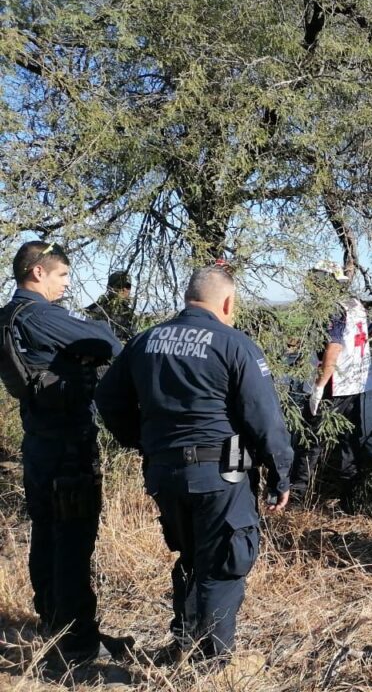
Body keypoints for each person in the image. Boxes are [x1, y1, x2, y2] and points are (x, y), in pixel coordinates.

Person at [94, 265, 292, 662]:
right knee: (222, 563)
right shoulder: (234, 344)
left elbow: (107, 398)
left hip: (163, 472)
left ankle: (183, 645)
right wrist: (281, 474)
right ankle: (211, 663)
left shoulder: (145, 341)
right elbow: (264, 417)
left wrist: (141, 440)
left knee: (190, 557)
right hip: (221, 473)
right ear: (227, 301)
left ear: (188, 298)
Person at [0, 242, 124, 664]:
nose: (66, 286)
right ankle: (78, 644)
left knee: (47, 537)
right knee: (73, 542)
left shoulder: (9, 316)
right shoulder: (39, 315)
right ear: (38, 273)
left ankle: (54, 623)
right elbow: (107, 340)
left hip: (38, 443)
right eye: (62, 277)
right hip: (68, 448)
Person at [290, 260, 372, 503]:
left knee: (310, 440)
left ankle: (296, 499)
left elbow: (333, 346)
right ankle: (351, 500)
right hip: (355, 382)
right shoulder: (355, 304)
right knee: (349, 441)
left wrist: (318, 386)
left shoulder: (332, 308)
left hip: (334, 383)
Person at [85, 270, 137, 342]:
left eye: (127, 286)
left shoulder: (130, 315)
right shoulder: (94, 311)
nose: (124, 289)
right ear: (110, 288)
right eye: (120, 285)